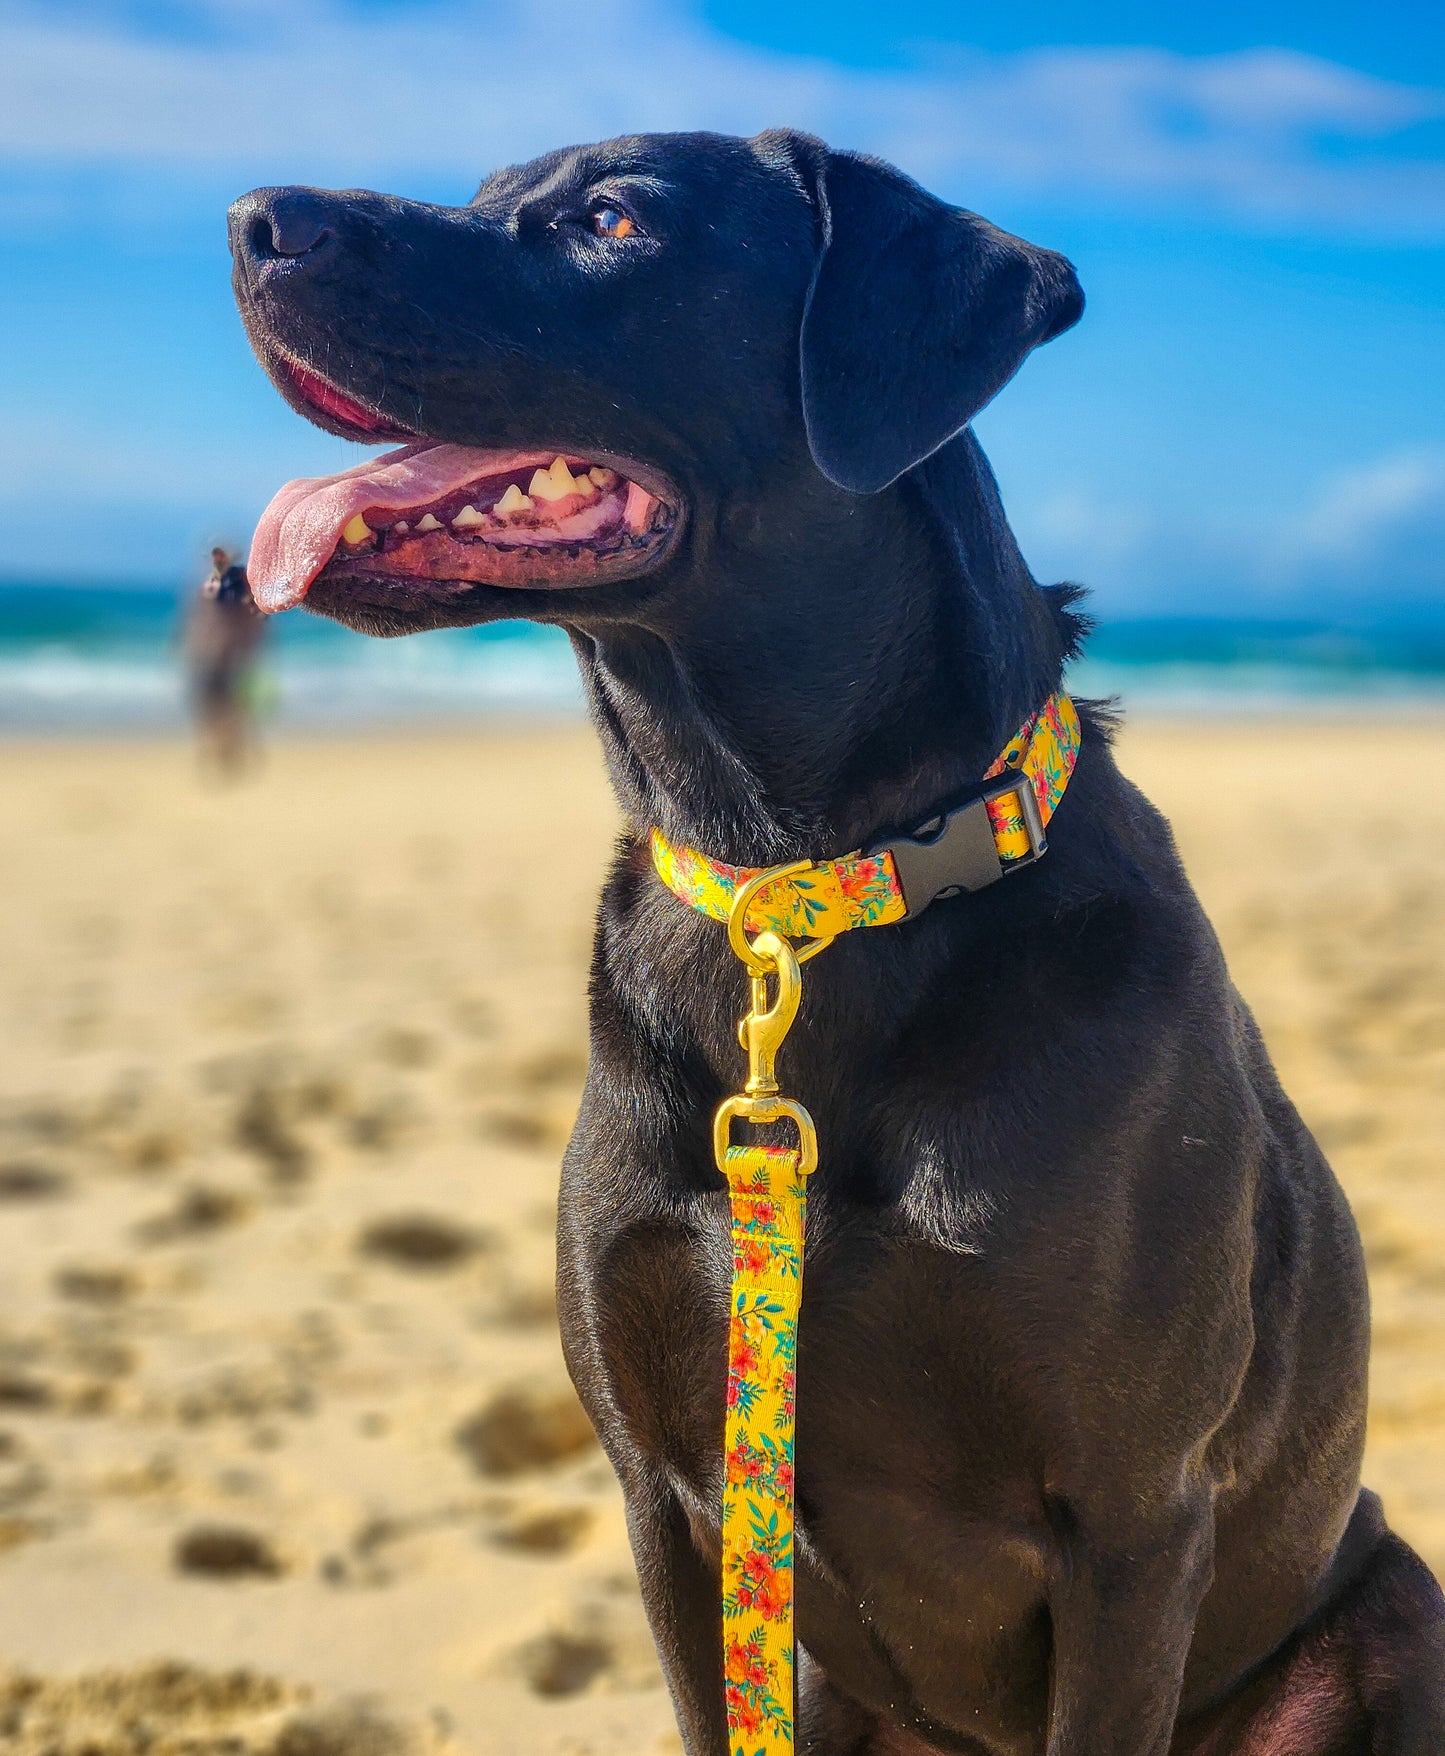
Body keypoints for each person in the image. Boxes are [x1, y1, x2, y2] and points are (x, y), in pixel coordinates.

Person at [184, 548, 267, 775]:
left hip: (226, 658)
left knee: (226, 707)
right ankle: (221, 755)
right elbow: (199, 622)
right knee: (214, 707)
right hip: (213, 656)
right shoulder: (216, 587)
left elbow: (253, 622)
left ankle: (226, 756)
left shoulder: (230, 588)